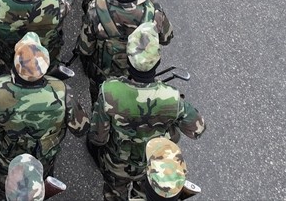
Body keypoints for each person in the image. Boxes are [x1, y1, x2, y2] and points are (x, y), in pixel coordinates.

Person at [87, 22, 205, 201]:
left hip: (117, 162)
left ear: (128, 59)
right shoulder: (170, 97)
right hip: (153, 167)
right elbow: (197, 129)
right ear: (158, 61)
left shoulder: (110, 91)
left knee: (113, 194)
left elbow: (98, 137)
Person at [0, 32, 87, 201]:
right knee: (37, 193)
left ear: (15, 65)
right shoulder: (62, 92)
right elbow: (81, 129)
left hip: (7, 166)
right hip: (43, 161)